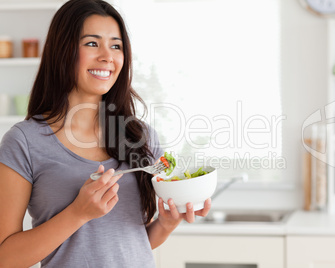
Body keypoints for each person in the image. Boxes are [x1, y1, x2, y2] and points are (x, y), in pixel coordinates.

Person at [0, 0, 211, 267]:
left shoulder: (140, 137)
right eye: (91, 43)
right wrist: (77, 214)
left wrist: (166, 224)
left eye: (116, 46)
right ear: (61, 50)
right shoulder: (23, 142)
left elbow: (130, 243)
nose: (107, 57)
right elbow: (5, 257)